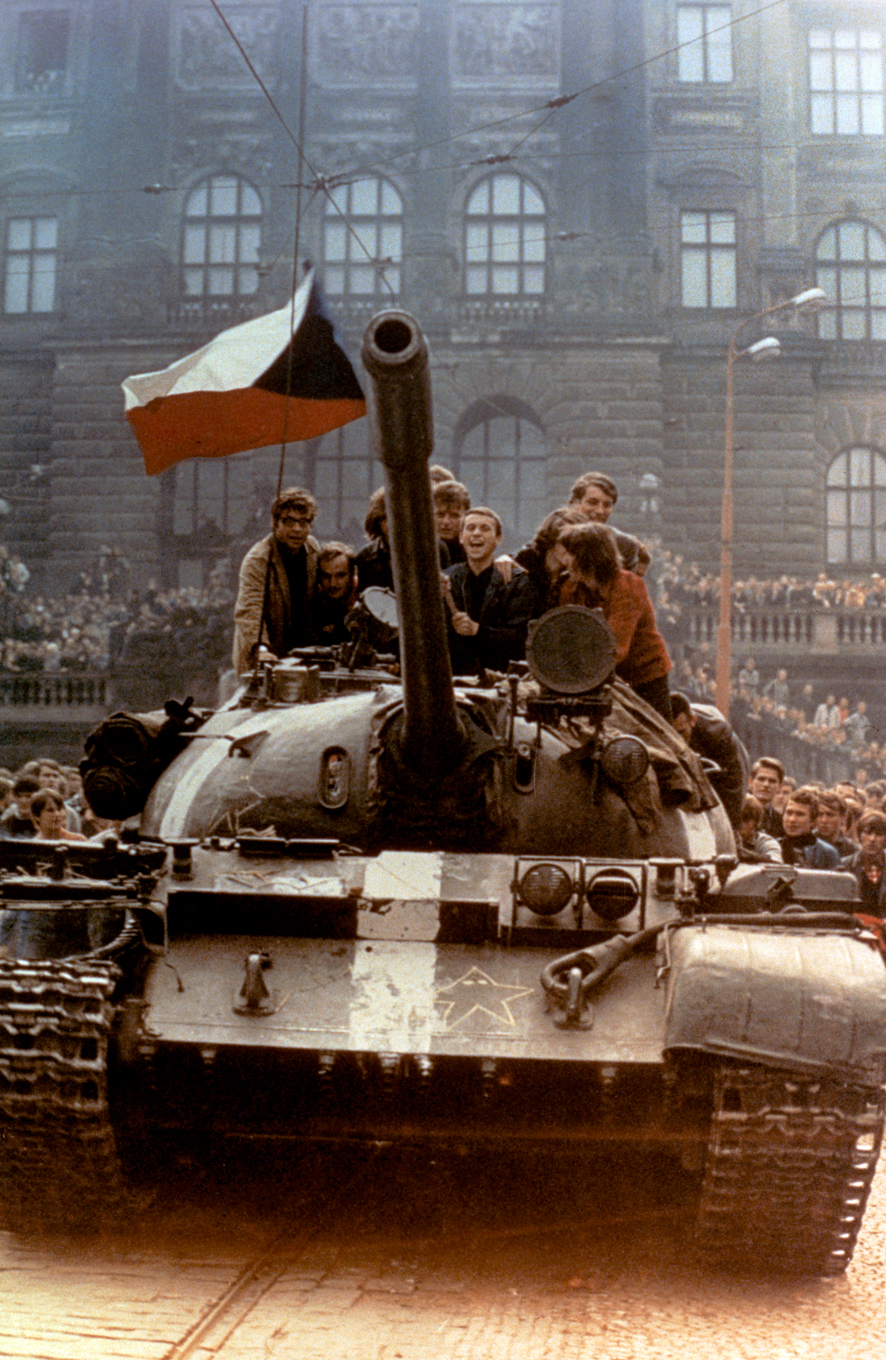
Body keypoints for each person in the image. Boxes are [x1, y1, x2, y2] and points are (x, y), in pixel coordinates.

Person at [557, 521, 672, 719]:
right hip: (599, 676)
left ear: (588, 557)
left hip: (646, 678)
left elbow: (615, 647)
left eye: (571, 554)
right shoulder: (570, 587)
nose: (565, 560)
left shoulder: (629, 586)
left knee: (659, 740)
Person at [233, 487, 319, 674]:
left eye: (303, 522)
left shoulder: (312, 549)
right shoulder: (258, 559)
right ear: (275, 523)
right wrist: (261, 649)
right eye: (289, 522)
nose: (297, 529)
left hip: (300, 655)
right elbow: (250, 609)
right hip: (262, 657)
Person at [442, 507, 534, 676]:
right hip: (454, 677)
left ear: (498, 539)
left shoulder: (516, 580)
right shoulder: (446, 578)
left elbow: (519, 638)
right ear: (461, 537)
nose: (476, 533)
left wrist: (477, 631)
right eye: (470, 528)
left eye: (485, 529)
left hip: (498, 678)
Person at [670, 692, 749, 827]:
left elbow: (734, 783)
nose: (677, 741)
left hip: (727, 757)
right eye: (671, 734)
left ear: (692, 720)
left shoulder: (717, 732)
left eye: (681, 732)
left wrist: (733, 825)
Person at [567, 472, 650, 575]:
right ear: (576, 503)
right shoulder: (554, 538)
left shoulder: (624, 546)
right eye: (593, 502)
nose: (600, 511)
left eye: (607, 505)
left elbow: (626, 588)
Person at [513, 507, 585, 617]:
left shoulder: (578, 572)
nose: (571, 548)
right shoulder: (526, 562)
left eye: (577, 543)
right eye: (565, 541)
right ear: (551, 538)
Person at [779, 787, 840, 869]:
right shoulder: (774, 847)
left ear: (813, 821)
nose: (792, 819)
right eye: (789, 813)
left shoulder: (827, 853)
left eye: (800, 814)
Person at [311, 543, 358, 645]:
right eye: (326, 576)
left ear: (352, 574)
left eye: (340, 575)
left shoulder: (366, 601)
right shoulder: (314, 604)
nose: (333, 584)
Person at [433, 480, 471, 567]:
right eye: (440, 515)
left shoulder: (472, 551)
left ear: (466, 517)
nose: (446, 522)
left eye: (454, 516)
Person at [738, 795, 783, 863]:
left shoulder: (765, 842)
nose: (739, 826)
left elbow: (775, 864)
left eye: (745, 821)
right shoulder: (720, 839)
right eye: (735, 821)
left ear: (756, 822)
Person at [748, 757, 785, 838]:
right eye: (761, 779)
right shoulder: (737, 813)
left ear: (780, 786)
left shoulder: (782, 822)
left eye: (772, 781)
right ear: (751, 782)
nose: (766, 785)